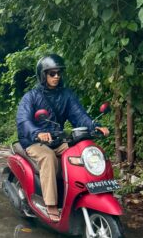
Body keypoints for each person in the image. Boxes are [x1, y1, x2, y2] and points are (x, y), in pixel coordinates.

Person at [16, 54, 109, 222]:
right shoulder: (31, 97)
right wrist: (37, 133)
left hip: (57, 139)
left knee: (81, 152)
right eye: (52, 73)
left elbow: (79, 115)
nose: (56, 76)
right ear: (43, 75)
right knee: (48, 157)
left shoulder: (66, 95)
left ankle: (82, 191)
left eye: (58, 73)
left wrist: (95, 127)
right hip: (35, 141)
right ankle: (51, 205)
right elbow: (23, 121)